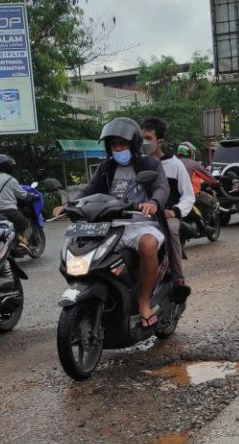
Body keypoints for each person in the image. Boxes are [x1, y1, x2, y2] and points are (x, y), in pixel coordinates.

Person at [52, 117, 169, 328]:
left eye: (122, 144)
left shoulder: (150, 163)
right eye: (114, 145)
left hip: (141, 223)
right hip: (108, 224)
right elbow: (89, 190)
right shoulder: (106, 167)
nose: (118, 148)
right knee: (81, 250)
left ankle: (144, 301)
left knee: (148, 244)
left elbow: (161, 188)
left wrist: (152, 203)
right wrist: (69, 205)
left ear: (134, 144)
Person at [140, 117, 194, 293]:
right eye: (142, 138)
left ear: (160, 142)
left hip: (166, 215)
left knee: (170, 230)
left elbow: (188, 195)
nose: (143, 142)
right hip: (141, 215)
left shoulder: (175, 165)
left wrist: (175, 212)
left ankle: (178, 279)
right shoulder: (137, 163)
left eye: (148, 138)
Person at [0, 153, 37, 250]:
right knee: (28, 225)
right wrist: (32, 196)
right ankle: (24, 242)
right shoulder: (10, 179)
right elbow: (23, 195)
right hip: (9, 210)